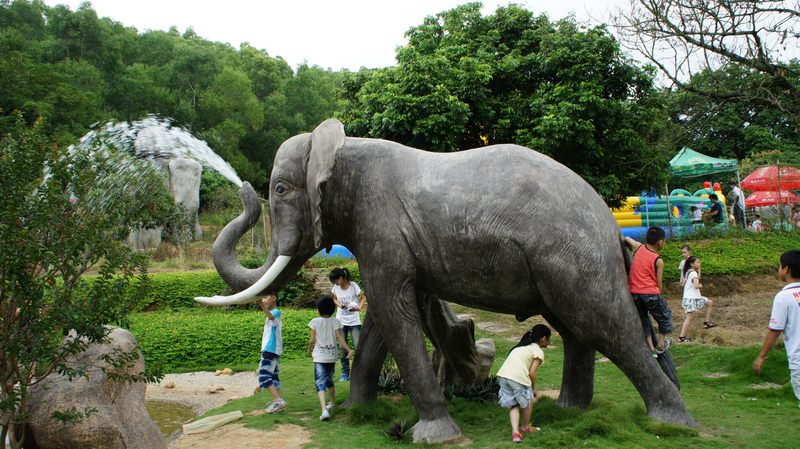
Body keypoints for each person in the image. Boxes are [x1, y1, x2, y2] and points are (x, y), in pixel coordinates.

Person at [752, 250, 800, 407]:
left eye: (779, 266)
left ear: (786, 269)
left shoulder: (784, 297)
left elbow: (775, 330)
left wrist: (761, 356)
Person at [496, 324, 551, 443]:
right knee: (527, 402)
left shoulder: (521, 347)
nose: (550, 341)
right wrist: (533, 388)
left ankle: (515, 433)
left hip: (504, 377)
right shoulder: (538, 351)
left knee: (515, 404)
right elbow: (532, 373)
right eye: (549, 339)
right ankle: (525, 428)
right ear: (544, 339)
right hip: (517, 378)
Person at [624, 227, 673, 358]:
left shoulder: (640, 247)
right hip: (650, 294)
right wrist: (659, 293)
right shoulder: (658, 260)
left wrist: (630, 246)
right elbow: (659, 283)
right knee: (665, 315)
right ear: (661, 242)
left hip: (634, 293)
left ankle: (651, 349)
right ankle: (661, 344)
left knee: (643, 319)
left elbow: (626, 238)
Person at [308, 295, 354, 421]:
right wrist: (349, 350)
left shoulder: (315, 322)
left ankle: (324, 410)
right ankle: (332, 403)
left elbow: (312, 340)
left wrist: (309, 349)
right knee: (329, 380)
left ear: (319, 309)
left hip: (319, 357)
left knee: (320, 382)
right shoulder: (335, 321)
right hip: (332, 357)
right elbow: (340, 338)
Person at [328, 267, 366, 381]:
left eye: (335, 280)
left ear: (341, 278)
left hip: (354, 321)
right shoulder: (336, 287)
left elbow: (363, 298)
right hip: (341, 321)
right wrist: (340, 305)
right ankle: (345, 373)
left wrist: (359, 308)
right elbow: (334, 299)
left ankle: (359, 372)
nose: (335, 283)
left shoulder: (353, 286)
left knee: (358, 346)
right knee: (342, 348)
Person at [258, 294, 287, 413]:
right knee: (274, 376)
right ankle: (279, 405)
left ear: (274, 298)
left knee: (264, 375)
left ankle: (277, 400)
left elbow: (270, 317)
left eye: (265, 298)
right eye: (262, 298)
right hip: (272, 349)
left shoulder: (276, 312)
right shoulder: (272, 313)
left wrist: (260, 305)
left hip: (271, 349)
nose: (263, 300)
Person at [678, 256, 716, 343]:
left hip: (691, 297)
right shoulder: (693, 273)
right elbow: (696, 285)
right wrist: (700, 285)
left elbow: (683, 284)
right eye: (697, 262)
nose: (699, 264)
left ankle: (707, 322)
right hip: (691, 298)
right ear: (692, 264)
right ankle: (682, 337)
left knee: (710, 302)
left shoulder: (688, 272)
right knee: (689, 317)